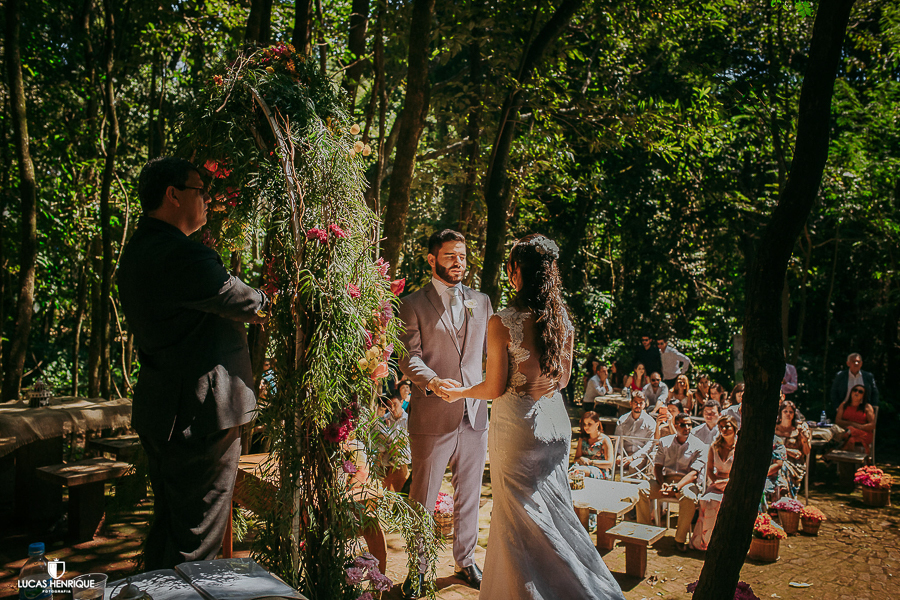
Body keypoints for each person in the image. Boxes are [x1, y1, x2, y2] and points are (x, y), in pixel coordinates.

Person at [443, 234, 625, 600]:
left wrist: (460, 391)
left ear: (515, 271)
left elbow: (495, 388)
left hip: (519, 428)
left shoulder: (504, 321)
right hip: (556, 424)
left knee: (517, 522)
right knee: (555, 514)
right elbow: (564, 379)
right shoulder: (562, 321)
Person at [118, 157, 269, 569]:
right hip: (200, 416)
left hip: (163, 408)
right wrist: (272, 300)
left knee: (170, 525)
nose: (207, 200)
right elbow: (245, 301)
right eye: (200, 190)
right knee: (197, 541)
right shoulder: (179, 254)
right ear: (172, 194)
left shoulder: (137, 250)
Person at [397, 229, 493, 596]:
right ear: (432, 259)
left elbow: (491, 354)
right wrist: (434, 383)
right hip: (432, 415)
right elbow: (409, 357)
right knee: (422, 497)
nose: (458, 262)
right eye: (451, 255)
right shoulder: (413, 304)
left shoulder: (482, 301)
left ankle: (465, 560)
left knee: (470, 494)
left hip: (475, 415)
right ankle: (418, 569)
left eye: (463, 256)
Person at [636, 412, 706, 551]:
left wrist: (677, 487)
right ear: (675, 425)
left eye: (689, 424)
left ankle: (680, 539)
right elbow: (658, 466)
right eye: (683, 425)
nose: (687, 427)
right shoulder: (665, 441)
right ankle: (644, 533)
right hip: (666, 480)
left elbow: (693, 473)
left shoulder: (699, 445)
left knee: (689, 497)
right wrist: (662, 484)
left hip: (686, 482)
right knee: (641, 489)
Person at [690, 415, 738, 550]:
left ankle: (718, 543)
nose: (724, 429)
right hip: (717, 483)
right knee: (706, 500)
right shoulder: (714, 446)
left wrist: (729, 481)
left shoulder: (739, 447)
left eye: (727, 426)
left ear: (734, 428)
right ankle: (704, 541)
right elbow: (710, 469)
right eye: (721, 427)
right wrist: (716, 481)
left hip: (733, 484)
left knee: (718, 503)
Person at [774, 400, 810, 498]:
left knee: (782, 466)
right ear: (780, 413)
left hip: (794, 463)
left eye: (791, 412)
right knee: (778, 464)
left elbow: (806, 452)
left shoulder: (798, 430)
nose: (788, 414)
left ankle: (784, 492)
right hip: (773, 459)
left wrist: (805, 439)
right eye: (785, 411)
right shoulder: (773, 428)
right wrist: (787, 450)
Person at [615, 393, 657, 478]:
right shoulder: (622, 420)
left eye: (641, 403)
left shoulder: (650, 422)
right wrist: (619, 454)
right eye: (635, 402)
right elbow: (617, 440)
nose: (638, 405)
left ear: (644, 404)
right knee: (611, 464)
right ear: (631, 403)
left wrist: (633, 457)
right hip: (624, 454)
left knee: (633, 466)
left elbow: (650, 444)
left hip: (641, 456)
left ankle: (634, 489)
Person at [375, 394, 411, 492]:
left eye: (395, 404)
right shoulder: (383, 419)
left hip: (401, 463)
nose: (392, 408)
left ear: (402, 402)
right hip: (384, 464)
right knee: (382, 495)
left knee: (401, 495)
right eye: (389, 406)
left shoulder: (409, 420)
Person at [573, 411, 615, 480]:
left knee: (580, 471)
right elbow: (576, 460)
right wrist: (580, 459)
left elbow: (610, 464)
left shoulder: (605, 440)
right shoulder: (582, 439)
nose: (586, 427)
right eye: (585, 424)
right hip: (582, 467)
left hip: (600, 470)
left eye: (589, 424)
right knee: (575, 471)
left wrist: (591, 462)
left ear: (597, 424)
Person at [836, 384, 876, 454]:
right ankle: (851, 463)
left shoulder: (867, 407)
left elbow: (873, 425)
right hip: (847, 433)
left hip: (863, 434)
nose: (857, 392)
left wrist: (858, 427)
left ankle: (831, 450)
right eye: (855, 390)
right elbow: (837, 421)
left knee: (849, 431)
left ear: (863, 396)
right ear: (851, 392)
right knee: (851, 440)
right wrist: (852, 424)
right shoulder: (843, 405)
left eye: (860, 392)